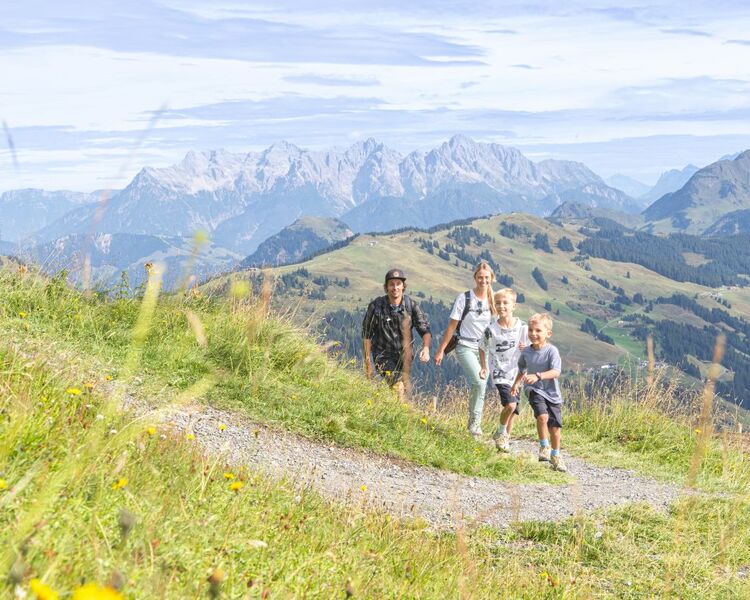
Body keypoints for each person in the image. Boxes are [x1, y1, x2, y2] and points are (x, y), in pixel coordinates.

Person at [435, 261, 497, 439]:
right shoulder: (464, 298)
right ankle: (474, 426)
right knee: (479, 382)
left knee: (482, 384)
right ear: (475, 278)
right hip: (465, 346)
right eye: (480, 277)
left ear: (491, 278)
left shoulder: (494, 299)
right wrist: (441, 350)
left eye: (486, 277)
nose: (483, 281)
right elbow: (451, 326)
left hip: (485, 349)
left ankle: (475, 424)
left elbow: (501, 324)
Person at [362, 268, 432, 398]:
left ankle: (393, 414)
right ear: (386, 287)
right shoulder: (376, 306)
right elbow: (366, 335)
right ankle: (401, 414)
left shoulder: (411, 306)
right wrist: (368, 363)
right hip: (382, 355)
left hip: (404, 357)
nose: (395, 287)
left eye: (398, 284)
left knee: (401, 390)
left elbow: (425, 330)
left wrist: (426, 348)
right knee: (398, 386)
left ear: (403, 286)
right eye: (391, 284)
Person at [510, 313, 567, 472]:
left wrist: (538, 375)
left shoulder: (551, 351)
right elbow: (522, 370)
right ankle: (544, 447)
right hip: (534, 390)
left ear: (548, 334)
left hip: (552, 393)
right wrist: (516, 384)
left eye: (538, 330)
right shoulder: (526, 352)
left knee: (555, 429)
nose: (533, 334)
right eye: (530, 330)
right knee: (542, 416)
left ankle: (556, 455)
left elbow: (556, 372)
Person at [478, 288, 528, 452]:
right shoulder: (491, 329)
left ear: (514, 305)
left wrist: (526, 348)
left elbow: (534, 347)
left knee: (513, 410)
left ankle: (505, 441)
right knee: (511, 405)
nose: (501, 306)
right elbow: (482, 347)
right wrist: (484, 367)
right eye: (497, 303)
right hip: (499, 372)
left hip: (516, 373)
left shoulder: (522, 328)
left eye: (505, 303)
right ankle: (500, 432)